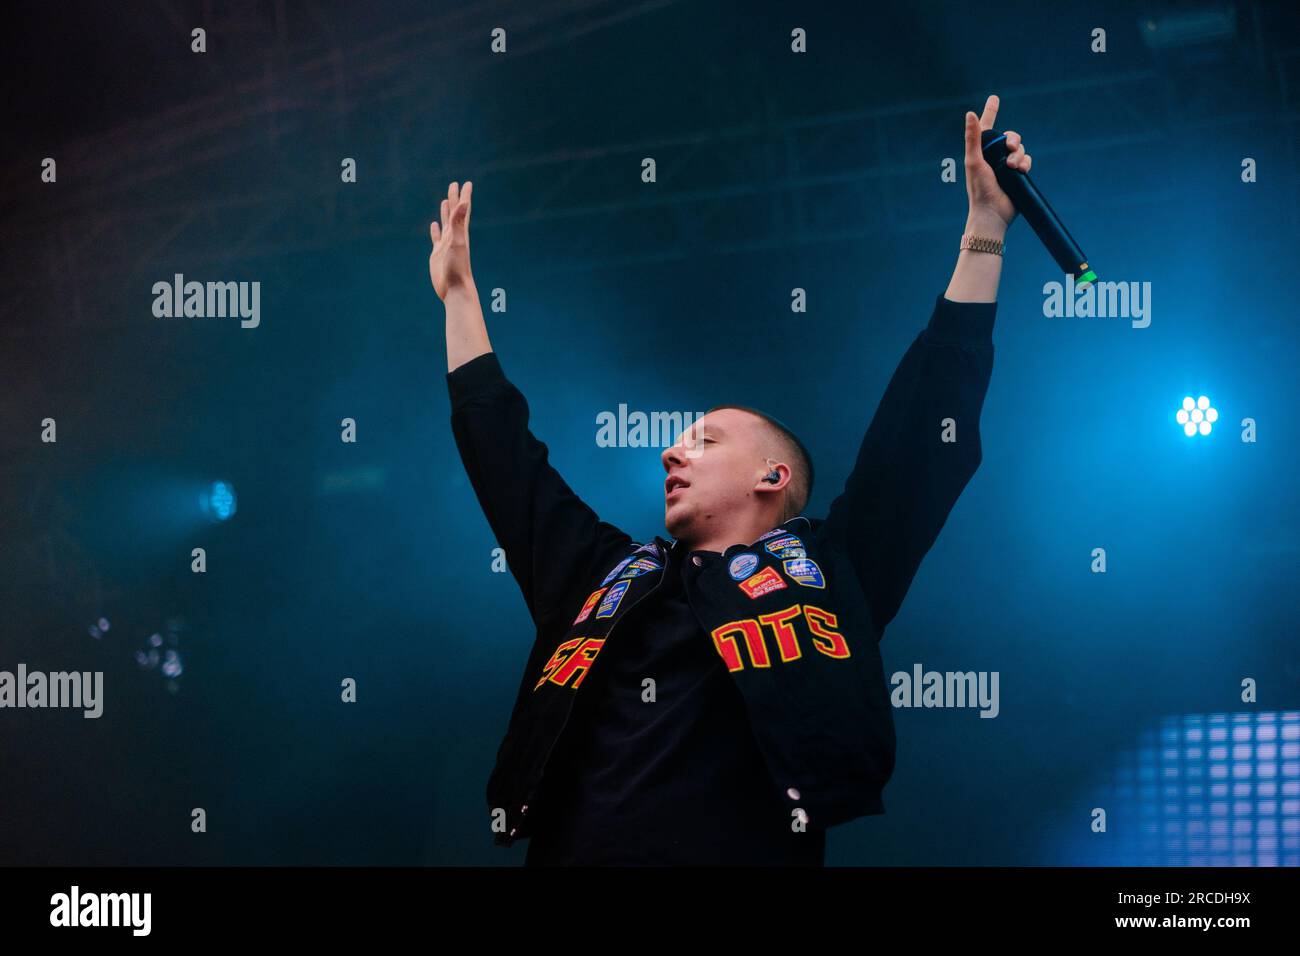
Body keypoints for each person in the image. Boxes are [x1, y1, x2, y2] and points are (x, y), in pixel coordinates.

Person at [431, 95, 1028, 865]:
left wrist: (984, 232)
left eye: (702, 441)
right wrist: (458, 296)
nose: (669, 456)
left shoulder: (830, 572)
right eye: (676, 444)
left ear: (772, 476)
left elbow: (923, 438)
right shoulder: (606, 574)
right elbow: (502, 456)